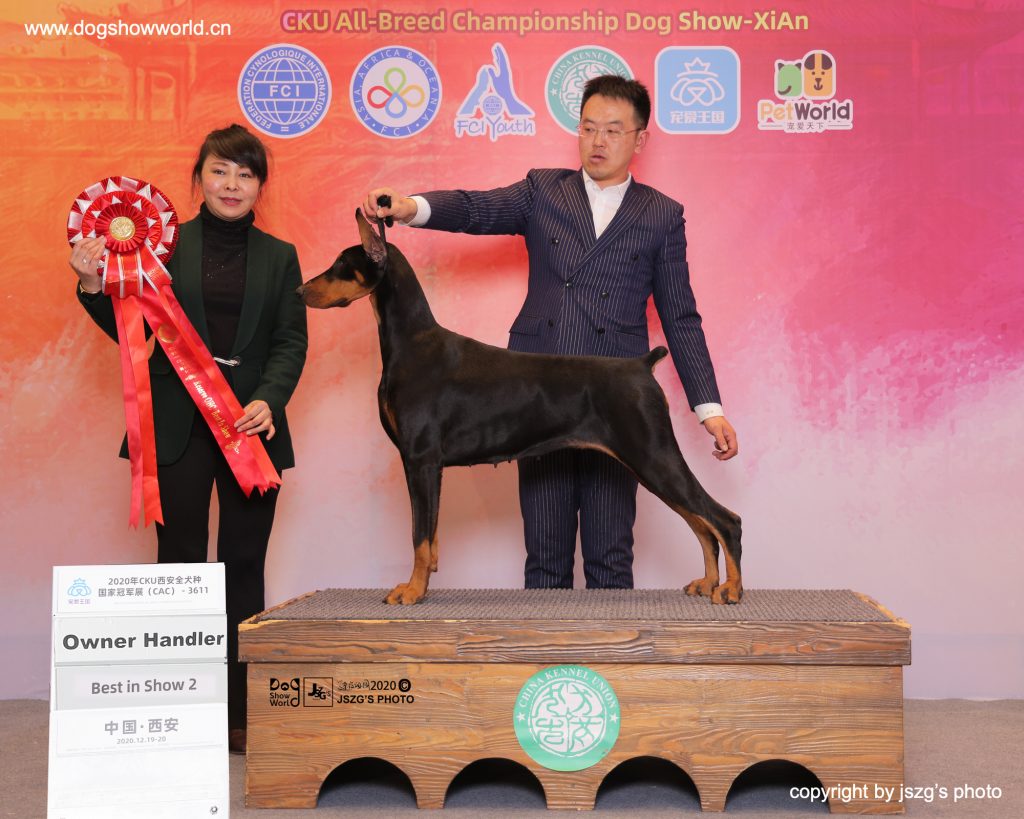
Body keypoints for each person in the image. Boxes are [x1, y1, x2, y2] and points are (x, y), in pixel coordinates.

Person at [364, 75, 737, 591]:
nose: (598, 141)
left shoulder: (662, 215)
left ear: (640, 139)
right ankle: (543, 647)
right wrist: (411, 207)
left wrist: (709, 408)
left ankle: (613, 644)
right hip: (532, 399)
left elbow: (680, 316)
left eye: (613, 130)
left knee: (610, 556)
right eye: (588, 128)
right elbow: (477, 209)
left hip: (612, 396)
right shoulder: (543, 190)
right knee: (544, 556)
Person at [70, 124, 308, 752]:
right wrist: (93, 284)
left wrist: (269, 398)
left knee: (244, 565)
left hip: (250, 425)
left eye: (246, 174)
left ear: (260, 186)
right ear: (198, 178)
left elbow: (291, 340)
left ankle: (240, 711)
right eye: (219, 171)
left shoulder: (281, 255)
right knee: (179, 565)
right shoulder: (163, 244)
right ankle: (179, 709)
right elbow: (130, 328)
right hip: (177, 423)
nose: (232, 184)